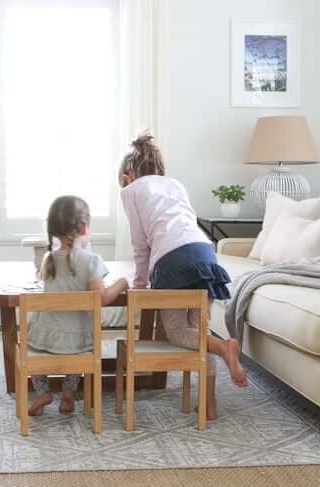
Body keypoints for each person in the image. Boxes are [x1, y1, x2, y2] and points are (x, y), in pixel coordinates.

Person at [119, 134, 247, 420]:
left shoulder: (131, 190)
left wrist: (140, 287)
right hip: (205, 254)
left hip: (172, 260)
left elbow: (140, 244)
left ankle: (224, 347)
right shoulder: (175, 184)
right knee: (199, 331)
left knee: (178, 333)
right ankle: (209, 404)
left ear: (128, 176)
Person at [27, 195, 128, 416]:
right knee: (81, 346)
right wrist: (121, 284)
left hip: (44, 338)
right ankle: (69, 391)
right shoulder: (91, 260)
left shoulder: (48, 259)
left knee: (31, 343)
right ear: (84, 227)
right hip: (78, 341)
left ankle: (42, 391)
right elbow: (101, 298)